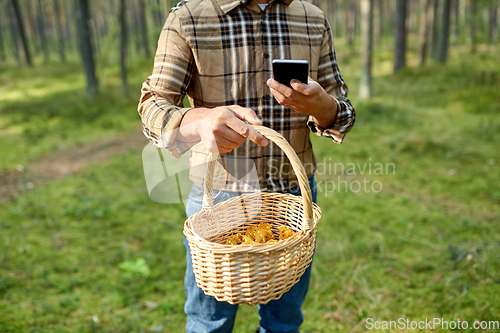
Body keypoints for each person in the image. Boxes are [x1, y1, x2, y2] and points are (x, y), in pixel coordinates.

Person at [138, 0, 355, 332]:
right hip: (219, 198)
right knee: (210, 322)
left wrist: (322, 105)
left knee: (284, 322)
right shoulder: (190, 16)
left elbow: (342, 112)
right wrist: (200, 121)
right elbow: (153, 105)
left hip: (295, 198)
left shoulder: (312, 18)